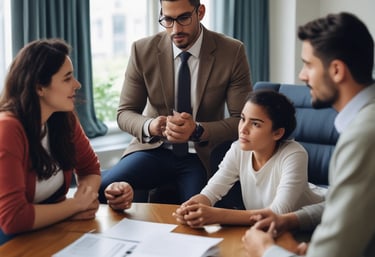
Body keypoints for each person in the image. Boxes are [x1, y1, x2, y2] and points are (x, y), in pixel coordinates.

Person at [242, 12, 375, 257]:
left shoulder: (363, 136)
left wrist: (265, 250)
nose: (302, 76)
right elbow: (345, 208)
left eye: (308, 64)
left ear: (336, 70)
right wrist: (291, 220)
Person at [98, 0, 252, 204]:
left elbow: (242, 121)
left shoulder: (231, 52)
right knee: (104, 190)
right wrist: (151, 125)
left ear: (201, 12)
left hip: (198, 155)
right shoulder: (142, 50)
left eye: (184, 18)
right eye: (168, 19)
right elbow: (125, 113)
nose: (176, 29)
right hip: (153, 149)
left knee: (195, 214)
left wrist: (197, 130)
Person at [0, 38, 133, 245]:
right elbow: (13, 219)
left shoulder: (63, 118)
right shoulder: (7, 129)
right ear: (39, 87)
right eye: (67, 78)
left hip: (49, 229)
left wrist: (85, 198)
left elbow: (89, 169)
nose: (77, 84)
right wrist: (75, 206)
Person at [172, 90, 324, 227]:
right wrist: (191, 207)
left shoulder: (294, 153)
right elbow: (210, 193)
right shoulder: (238, 148)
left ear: (277, 133)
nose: (243, 129)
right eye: (243, 119)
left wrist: (217, 215)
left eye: (255, 124)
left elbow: (277, 213)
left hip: (317, 221)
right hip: (266, 228)